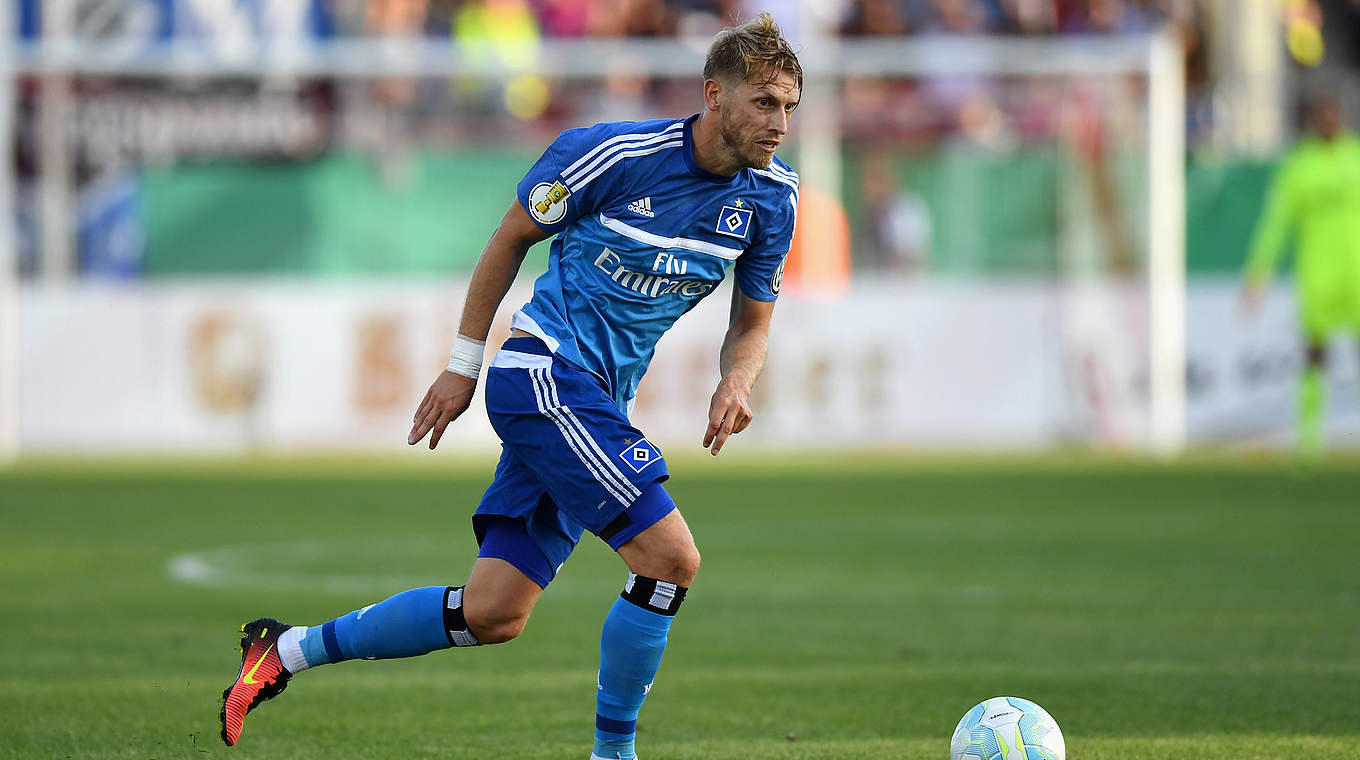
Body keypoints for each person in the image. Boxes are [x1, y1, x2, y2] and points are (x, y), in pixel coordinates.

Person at [219, 14, 802, 760]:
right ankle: (613, 755)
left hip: (594, 401)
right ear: (715, 95)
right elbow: (510, 238)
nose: (779, 122)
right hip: (544, 375)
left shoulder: (772, 200)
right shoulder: (615, 154)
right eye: (764, 102)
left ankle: (284, 651)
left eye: (788, 106)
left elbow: (752, 324)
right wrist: (463, 365)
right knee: (671, 559)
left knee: (494, 613)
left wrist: (736, 381)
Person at [1242, 94, 1360, 453]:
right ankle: (1310, 440)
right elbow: (1276, 225)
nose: (1328, 120)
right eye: (1321, 114)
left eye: (1332, 113)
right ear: (1313, 120)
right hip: (1318, 276)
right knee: (1314, 354)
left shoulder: (1355, 158)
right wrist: (1258, 271)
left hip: (1356, 274)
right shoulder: (1299, 167)